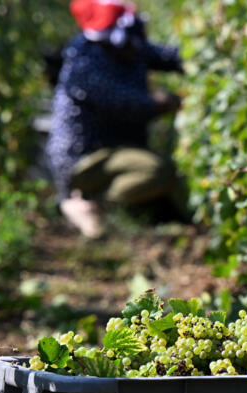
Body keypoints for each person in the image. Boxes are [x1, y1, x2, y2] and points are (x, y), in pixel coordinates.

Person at [46, 0, 186, 237]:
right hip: (85, 157)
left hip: (115, 152)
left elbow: (169, 56)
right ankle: (85, 200)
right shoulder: (84, 60)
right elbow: (124, 103)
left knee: (158, 178)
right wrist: (163, 102)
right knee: (157, 172)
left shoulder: (129, 45)